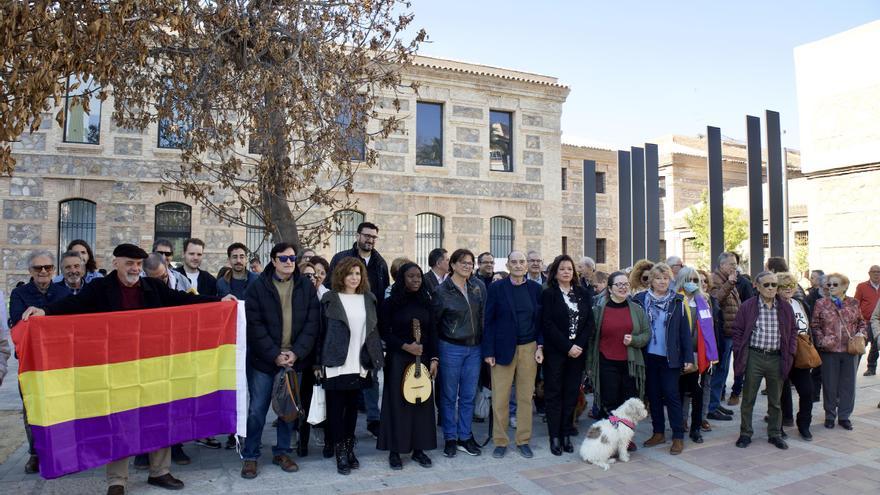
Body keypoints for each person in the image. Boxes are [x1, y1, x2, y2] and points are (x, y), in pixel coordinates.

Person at [22, 243, 234, 495]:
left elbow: (184, 300)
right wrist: (44, 312)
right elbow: (72, 306)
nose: (134, 268)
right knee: (118, 421)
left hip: (153, 366)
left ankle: (160, 472)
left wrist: (219, 301)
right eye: (129, 263)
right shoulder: (100, 288)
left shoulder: (153, 286)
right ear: (116, 264)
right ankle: (117, 480)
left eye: (137, 264)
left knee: (159, 416)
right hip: (116, 370)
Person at [239, 242, 320, 479]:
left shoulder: (305, 286)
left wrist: (295, 353)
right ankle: (251, 455)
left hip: (294, 360)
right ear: (273, 260)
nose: (289, 263)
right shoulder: (258, 287)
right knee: (257, 410)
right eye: (283, 259)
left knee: (288, 410)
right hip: (265, 361)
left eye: (292, 259)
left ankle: (282, 452)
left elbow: (311, 324)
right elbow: (254, 326)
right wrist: (274, 354)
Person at [316, 257, 384, 475]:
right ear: (341, 275)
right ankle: (340, 452)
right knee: (336, 410)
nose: (354, 277)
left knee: (353, 410)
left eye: (357, 273)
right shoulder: (330, 298)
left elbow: (373, 331)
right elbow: (320, 332)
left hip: (359, 362)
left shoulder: (369, 298)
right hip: (336, 362)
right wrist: (318, 363)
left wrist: (375, 359)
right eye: (350, 273)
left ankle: (349, 448)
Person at [9, 250, 71, 475]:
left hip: (58, 362)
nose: (43, 271)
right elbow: (18, 323)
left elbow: (68, 325)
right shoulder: (19, 294)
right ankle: (35, 454)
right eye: (38, 268)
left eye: (48, 267)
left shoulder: (64, 293)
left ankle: (61, 451)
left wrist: (42, 318)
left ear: (54, 270)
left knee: (61, 407)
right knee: (32, 408)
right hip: (31, 364)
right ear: (30, 271)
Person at [328, 222, 389, 438]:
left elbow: (382, 298)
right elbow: (331, 289)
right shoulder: (341, 258)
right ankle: (339, 432)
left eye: (374, 236)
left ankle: (373, 419)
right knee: (345, 381)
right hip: (344, 327)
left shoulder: (380, 263)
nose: (370, 240)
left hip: (369, 327)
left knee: (371, 374)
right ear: (357, 235)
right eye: (366, 236)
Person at [483, 250, 543, 459]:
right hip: (502, 350)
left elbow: (540, 321)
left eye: (522, 262)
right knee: (500, 397)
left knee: (526, 397)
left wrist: (540, 346)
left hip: (529, 348)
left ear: (527, 266)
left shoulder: (536, 289)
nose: (518, 265)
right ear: (508, 265)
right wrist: (488, 351)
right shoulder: (497, 288)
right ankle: (500, 441)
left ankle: (523, 440)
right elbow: (488, 320)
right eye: (514, 262)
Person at [377, 262, 438, 469]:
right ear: (402, 278)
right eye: (411, 276)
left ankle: (419, 449)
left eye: (419, 276)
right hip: (398, 359)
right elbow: (385, 332)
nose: (416, 280)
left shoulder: (426, 302)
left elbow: (433, 334)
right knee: (398, 405)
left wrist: (434, 358)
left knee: (421, 403)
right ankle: (395, 451)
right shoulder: (390, 303)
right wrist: (405, 346)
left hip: (422, 358)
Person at [732, 271, 798, 450]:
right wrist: (739, 350)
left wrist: (790, 352)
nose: (771, 288)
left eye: (774, 285)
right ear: (758, 286)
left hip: (777, 357)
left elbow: (793, 331)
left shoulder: (785, 307)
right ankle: (745, 433)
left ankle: (775, 433)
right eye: (767, 285)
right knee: (748, 398)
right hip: (754, 356)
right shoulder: (748, 306)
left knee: (776, 400)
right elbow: (737, 330)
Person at [633, 263, 694, 455]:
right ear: (651, 280)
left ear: (671, 280)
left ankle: (677, 436)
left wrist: (688, 357)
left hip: (670, 357)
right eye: (658, 278)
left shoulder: (678, 300)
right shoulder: (640, 299)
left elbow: (684, 332)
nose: (662, 281)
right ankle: (658, 432)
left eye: (666, 278)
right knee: (653, 395)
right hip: (648, 356)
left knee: (672, 395)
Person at [587, 271, 649, 452]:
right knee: (610, 402)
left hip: (630, 363)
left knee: (628, 403)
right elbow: (592, 340)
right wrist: (589, 365)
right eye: (619, 284)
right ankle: (611, 438)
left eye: (626, 284)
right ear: (610, 289)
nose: (623, 287)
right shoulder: (599, 310)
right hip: (606, 361)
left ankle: (625, 438)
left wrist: (634, 340)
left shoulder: (637, 309)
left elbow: (646, 334)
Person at [433, 249, 485, 458]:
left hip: (475, 348)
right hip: (450, 348)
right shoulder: (441, 291)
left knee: (468, 395)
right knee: (448, 395)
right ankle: (450, 438)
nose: (468, 266)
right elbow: (435, 324)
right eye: (463, 262)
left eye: (471, 263)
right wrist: (435, 354)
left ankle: (465, 436)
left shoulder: (477, 288)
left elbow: (483, 317)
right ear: (452, 265)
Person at [541, 255, 594, 456]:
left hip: (577, 354)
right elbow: (547, 324)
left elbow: (589, 322)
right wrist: (567, 346)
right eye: (562, 269)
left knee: (571, 394)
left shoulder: (582, 293)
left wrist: (578, 345)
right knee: (554, 394)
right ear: (555, 272)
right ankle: (554, 436)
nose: (566, 272)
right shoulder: (549, 294)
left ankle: (565, 433)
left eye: (569, 269)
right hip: (556, 353)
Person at [812, 272, 866, 431]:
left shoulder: (853, 303)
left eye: (835, 284)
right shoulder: (821, 303)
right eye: (829, 284)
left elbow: (862, 323)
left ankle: (844, 416)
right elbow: (814, 325)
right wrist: (822, 341)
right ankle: (830, 416)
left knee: (848, 385)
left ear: (845, 287)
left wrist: (860, 334)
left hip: (850, 350)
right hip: (829, 351)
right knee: (829, 384)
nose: (831, 287)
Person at [674, 267, 718, 444]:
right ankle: (681, 422)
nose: (692, 283)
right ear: (682, 281)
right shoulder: (675, 300)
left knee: (697, 393)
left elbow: (709, 330)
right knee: (681, 392)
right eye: (689, 280)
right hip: (682, 356)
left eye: (695, 280)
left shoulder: (703, 301)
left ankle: (696, 427)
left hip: (700, 355)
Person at [776, 272, 815, 440]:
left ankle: (804, 424)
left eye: (791, 285)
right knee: (779, 392)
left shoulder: (799, 303)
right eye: (783, 286)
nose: (788, 289)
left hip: (800, 352)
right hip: (780, 353)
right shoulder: (773, 306)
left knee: (807, 391)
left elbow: (808, 326)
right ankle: (779, 425)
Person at [709, 252, 742, 415]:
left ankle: (715, 403)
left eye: (735, 264)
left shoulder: (729, 280)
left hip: (730, 332)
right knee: (719, 370)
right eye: (731, 264)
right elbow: (716, 300)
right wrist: (729, 284)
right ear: (722, 265)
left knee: (723, 371)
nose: (734, 267)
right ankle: (711, 406)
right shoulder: (716, 279)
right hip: (721, 334)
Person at [854, 265, 880, 376]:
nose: (876, 274)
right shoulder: (862, 286)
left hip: (878, 322)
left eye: (878, 272)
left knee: (876, 346)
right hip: (865, 322)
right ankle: (853, 369)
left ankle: (871, 368)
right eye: (874, 272)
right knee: (861, 345)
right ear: (869, 273)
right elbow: (856, 303)